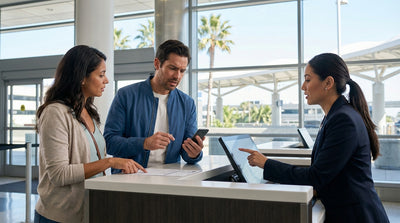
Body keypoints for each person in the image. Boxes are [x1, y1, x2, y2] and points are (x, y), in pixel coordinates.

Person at [240, 53, 389, 223]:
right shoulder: (335, 116)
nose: (303, 86)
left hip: (357, 216)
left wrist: (266, 163)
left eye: (308, 79)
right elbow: (330, 173)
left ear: (328, 83)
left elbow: (316, 176)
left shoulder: (343, 119)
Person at [34, 45, 146, 223]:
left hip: (88, 211)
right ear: (82, 78)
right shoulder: (55, 113)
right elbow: (59, 174)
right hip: (59, 216)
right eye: (101, 75)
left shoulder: (87, 111)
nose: (106, 80)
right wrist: (110, 162)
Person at [104, 39, 204, 172]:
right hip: (130, 178)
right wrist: (144, 143)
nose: (177, 76)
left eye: (182, 70)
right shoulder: (126, 95)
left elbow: (187, 153)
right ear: (157, 64)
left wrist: (194, 154)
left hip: (169, 180)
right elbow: (109, 142)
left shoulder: (187, 103)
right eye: (172, 68)